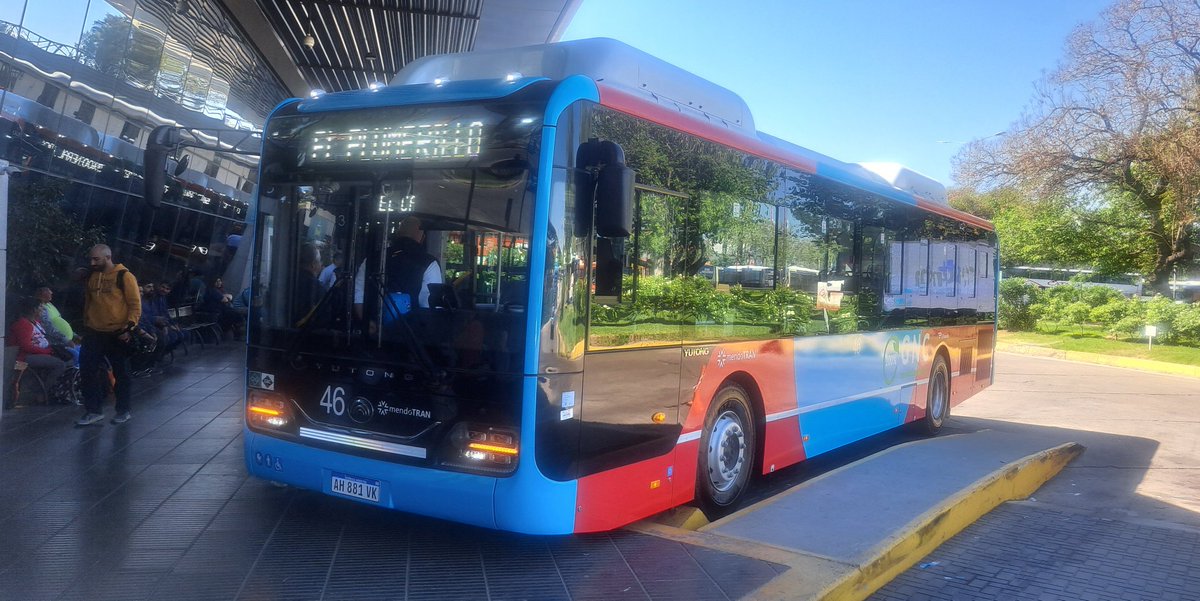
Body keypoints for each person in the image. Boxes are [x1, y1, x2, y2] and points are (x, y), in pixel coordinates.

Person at [76, 244, 142, 426]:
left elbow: (135, 305)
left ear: (108, 257)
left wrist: (128, 328)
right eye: (91, 259)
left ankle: (123, 410)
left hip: (117, 332)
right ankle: (93, 410)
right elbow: (89, 302)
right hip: (94, 331)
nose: (92, 262)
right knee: (87, 370)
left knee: (121, 372)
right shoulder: (92, 276)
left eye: (96, 259)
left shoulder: (124, 276)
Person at [9, 296, 71, 403]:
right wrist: (47, 352)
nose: (43, 310)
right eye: (41, 308)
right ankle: (43, 393)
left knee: (68, 358)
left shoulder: (35, 322)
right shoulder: (23, 324)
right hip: (24, 357)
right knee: (59, 364)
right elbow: (26, 346)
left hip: (39, 352)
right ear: (34, 309)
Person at [34, 286, 78, 364]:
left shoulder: (50, 305)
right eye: (48, 291)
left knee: (80, 351)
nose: (51, 293)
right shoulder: (40, 309)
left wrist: (75, 335)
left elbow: (60, 320)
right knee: (75, 355)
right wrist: (66, 340)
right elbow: (47, 327)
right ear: (42, 294)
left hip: (66, 340)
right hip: (55, 342)